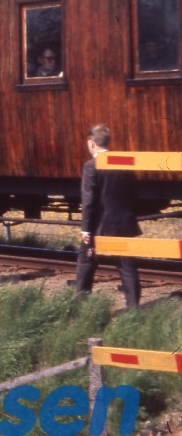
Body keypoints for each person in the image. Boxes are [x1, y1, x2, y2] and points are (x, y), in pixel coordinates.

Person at [75, 124, 141, 310]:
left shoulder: (91, 166)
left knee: (86, 264)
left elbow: (88, 201)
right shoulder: (123, 162)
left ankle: (80, 309)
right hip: (125, 225)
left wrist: (86, 230)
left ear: (91, 143)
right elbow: (134, 193)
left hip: (100, 227)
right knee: (127, 269)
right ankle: (134, 311)